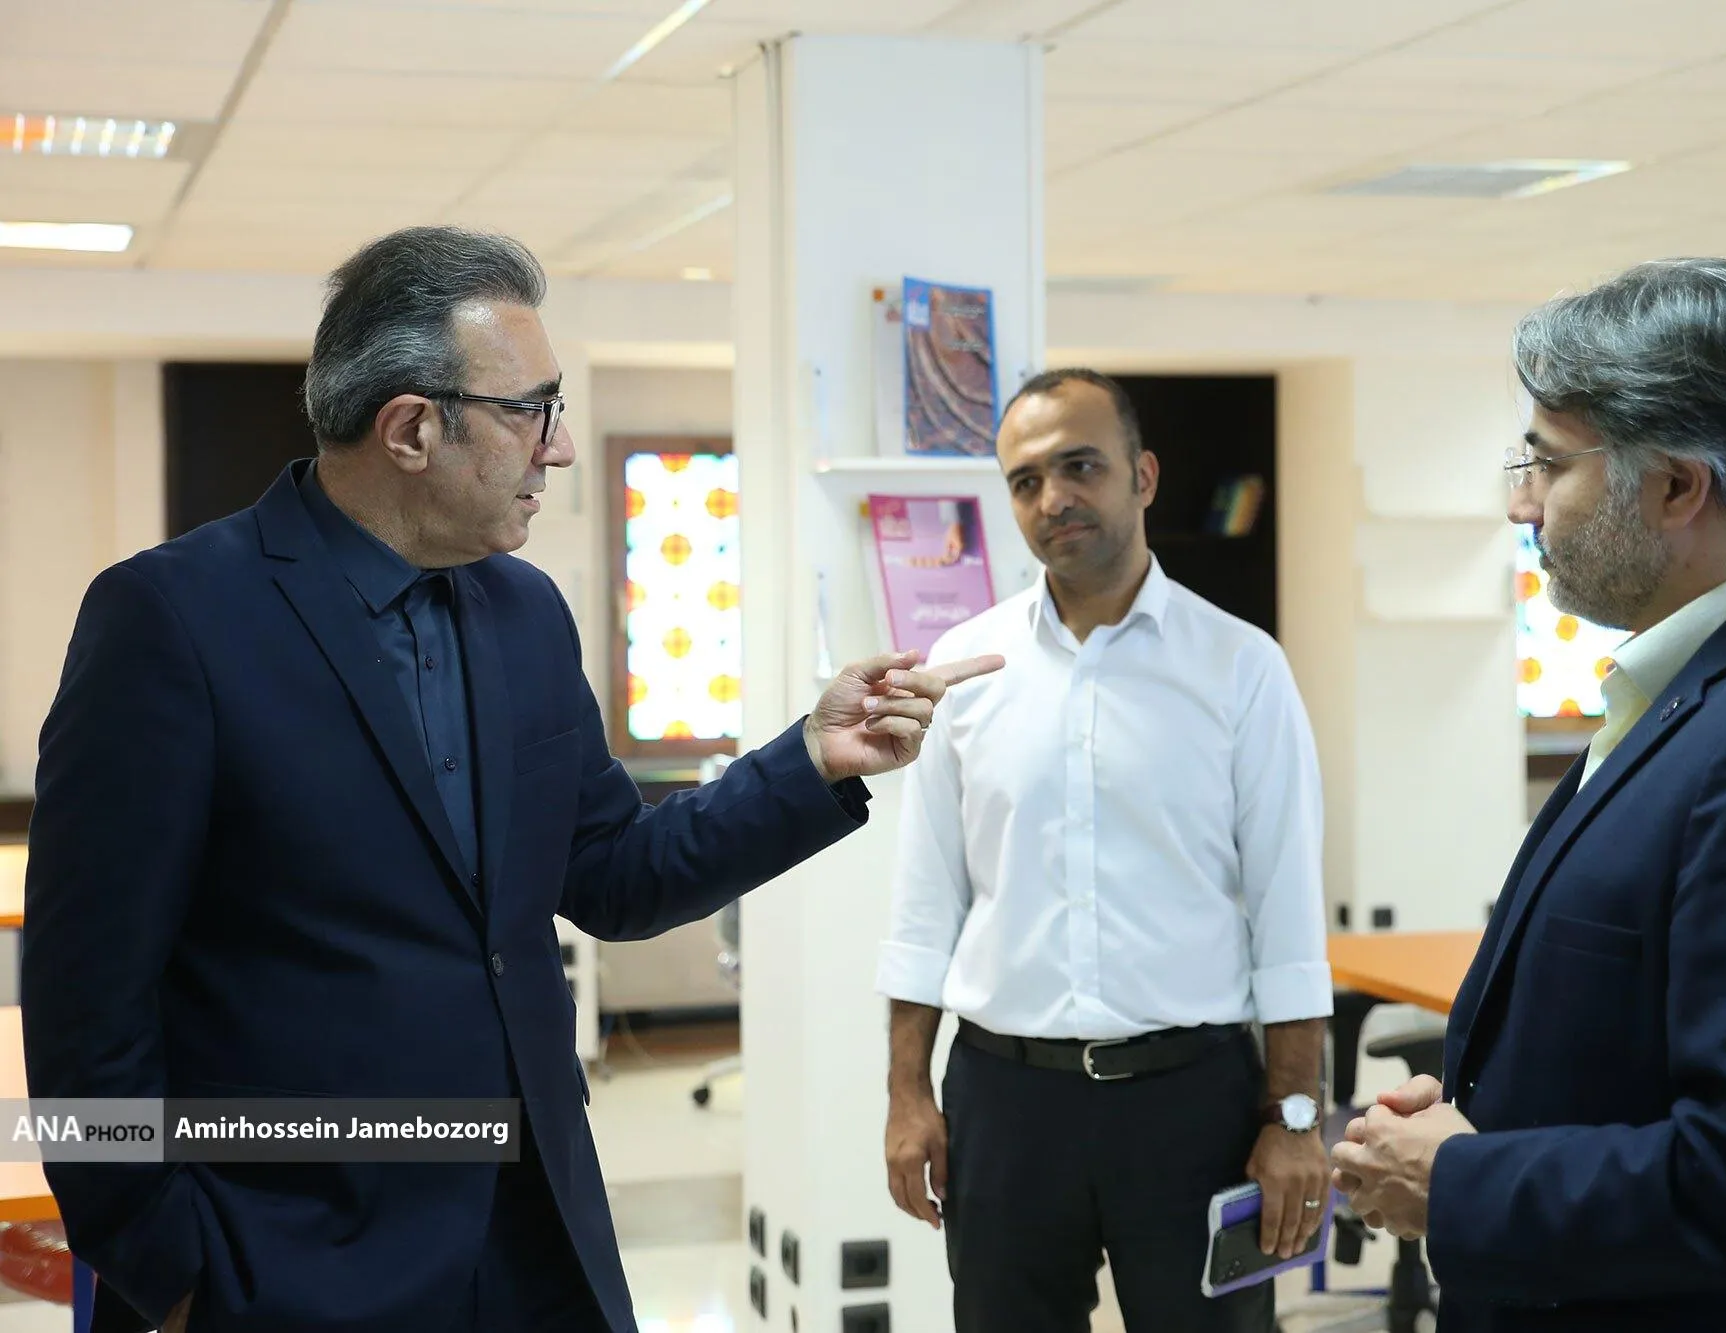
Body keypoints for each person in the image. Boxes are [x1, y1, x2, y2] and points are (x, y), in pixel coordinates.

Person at [22, 226, 1001, 1333]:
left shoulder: (522, 611)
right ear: (410, 429)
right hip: (289, 1257)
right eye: (532, 409)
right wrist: (167, 1267)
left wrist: (810, 759)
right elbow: (84, 1000)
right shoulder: (174, 617)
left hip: (533, 1244)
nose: (562, 447)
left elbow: (612, 871)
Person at [1331, 258, 1726, 1332]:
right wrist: (1481, 1120)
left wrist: (1459, 1182)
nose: (1519, 502)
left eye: (1548, 464)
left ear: (1677, 487)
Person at [877, 368, 1333, 1332]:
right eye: (1026, 480)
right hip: (1005, 1103)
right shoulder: (964, 669)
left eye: (1080, 466)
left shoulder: (1241, 668)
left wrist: (1294, 1118)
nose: (1053, 497)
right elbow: (925, 909)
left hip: (1193, 1105)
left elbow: (1288, 917)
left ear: (1144, 475)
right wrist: (906, 1093)